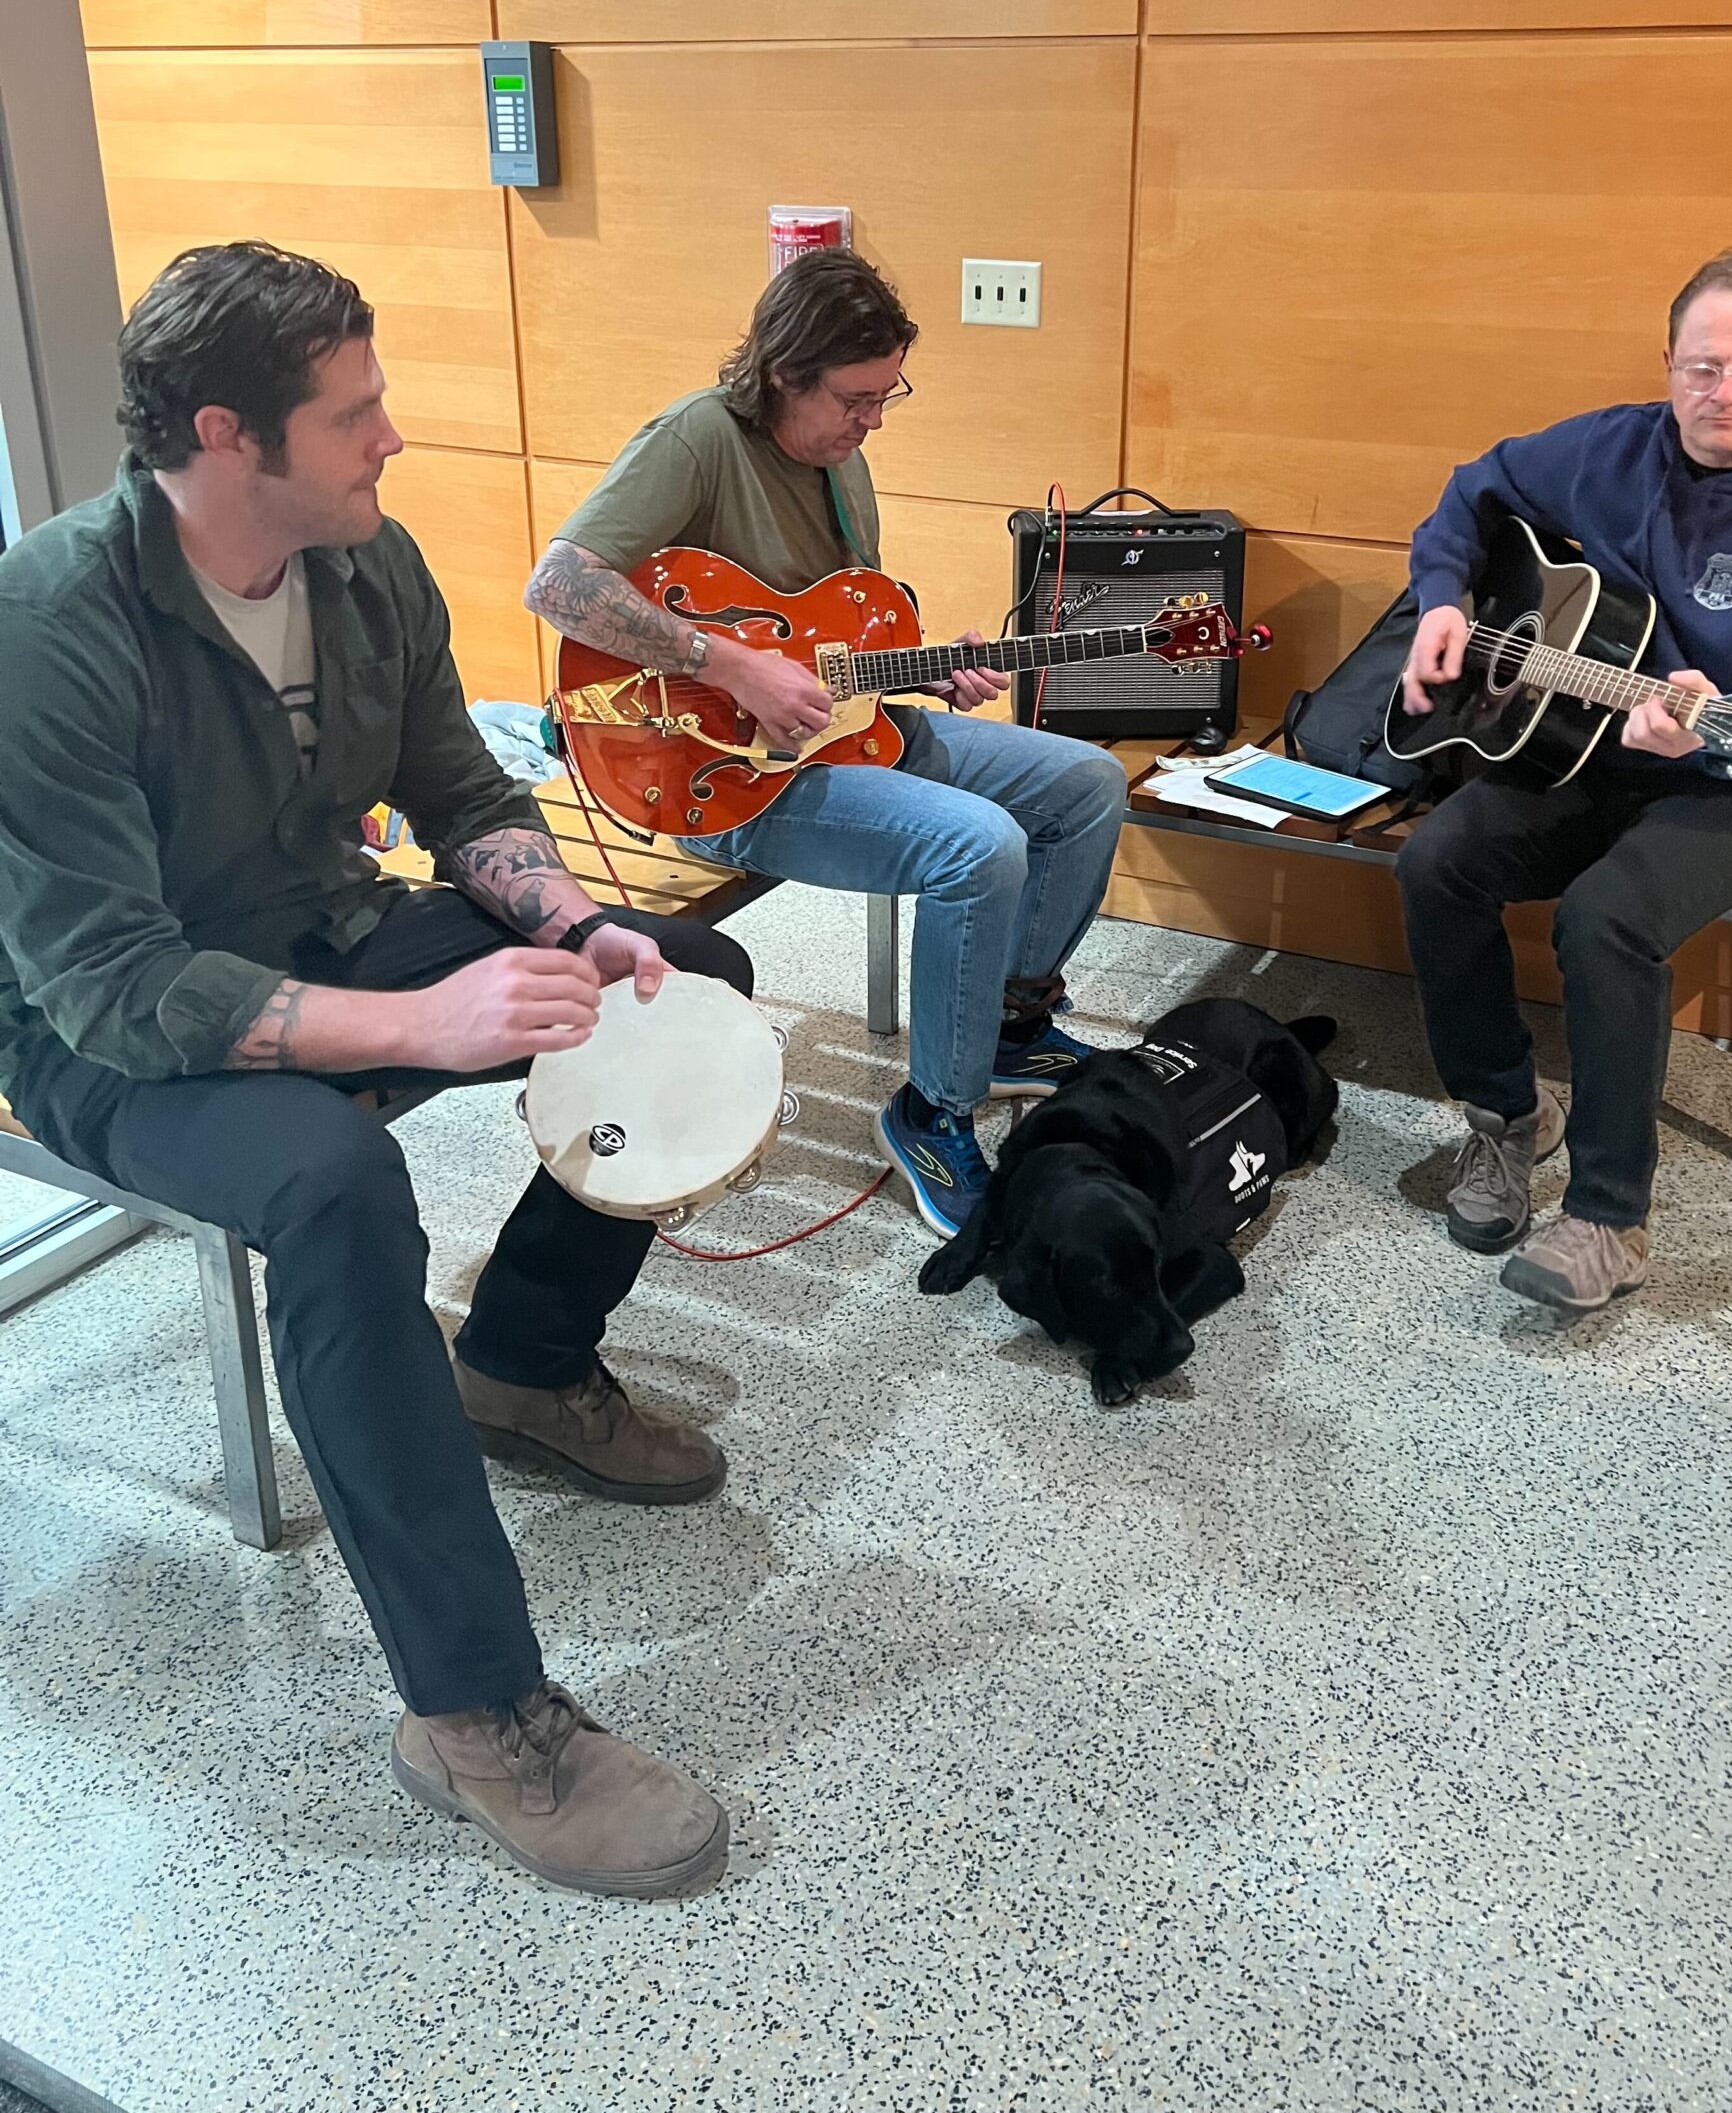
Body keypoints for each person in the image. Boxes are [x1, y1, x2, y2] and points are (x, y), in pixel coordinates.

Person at [0, 242, 753, 1900]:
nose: (391, 438)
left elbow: (463, 797)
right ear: (225, 436)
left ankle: (525, 1366)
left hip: (315, 925)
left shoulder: (364, 563)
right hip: (100, 1035)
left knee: (679, 977)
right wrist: (426, 1024)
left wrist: (570, 928)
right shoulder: (49, 628)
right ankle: (474, 1711)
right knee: (340, 1185)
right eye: (354, 415)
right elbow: (113, 982)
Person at [524, 249, 1129, 1239]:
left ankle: (1009, 1028)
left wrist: (928, 668)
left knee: (1087, 782)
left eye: (888, 395)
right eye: (857, 396)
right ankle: (934, 1112)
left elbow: (833, 642)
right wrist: (729, 667)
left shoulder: (838, 457)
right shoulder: (696, 439)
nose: (872, 420)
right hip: (725, 779)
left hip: (843, 739)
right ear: (782, 373)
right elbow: (559, 586)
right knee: (979, 847)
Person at [1395, 248, 1732, 1312]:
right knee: (1437, 859)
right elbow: (1472, 487)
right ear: (1668, 359)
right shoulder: (1612, 447)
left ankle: (1608, 1217)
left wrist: (1715, 729)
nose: (1724, 393)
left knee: (1607, 916)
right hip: (1590, 754)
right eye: (1702, 366)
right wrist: (1443, 593)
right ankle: (1505, 1115)